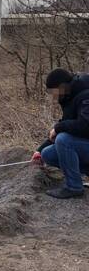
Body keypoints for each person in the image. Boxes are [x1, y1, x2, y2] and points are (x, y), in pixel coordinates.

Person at [32, 68, 89, 199]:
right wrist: (39, 151)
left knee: (64, 140)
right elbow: (67, 125)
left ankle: (74, 187)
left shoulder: (85, 94)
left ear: (62, 87)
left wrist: (58, 127)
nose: (53, 96)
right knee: (48, 154)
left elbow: (85, 126)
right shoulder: (70, 95)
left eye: (53, 92)